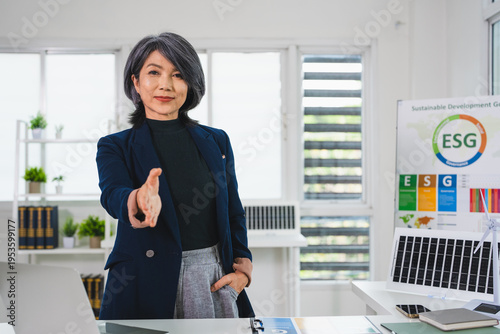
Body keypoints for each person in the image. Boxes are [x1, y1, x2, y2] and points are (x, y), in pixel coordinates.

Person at [96, 32, 254, 320]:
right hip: (142, 279)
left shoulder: (216, 141)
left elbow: (234, 211)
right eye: (153, 72)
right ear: (136, 82)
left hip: (212, 278)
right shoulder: (114, 145)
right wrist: (138, 199)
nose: (165, 85)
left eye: (178, 75)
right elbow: (112, 194)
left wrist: (243, 270)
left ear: (190, 84)